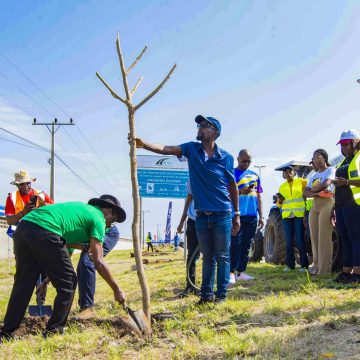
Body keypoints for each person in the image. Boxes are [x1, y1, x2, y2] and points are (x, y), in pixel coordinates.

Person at [131, 115, 240, 304]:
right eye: (199, 125)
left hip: (222, 213)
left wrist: (236, 214)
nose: (199, 127)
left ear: (215, 132)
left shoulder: (226, 158)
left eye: (204, 125)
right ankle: (206, 296)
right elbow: (167, 149)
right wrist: (144, 144)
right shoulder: (191, 149)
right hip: (201, 216)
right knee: (207, 257)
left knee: (222, 255)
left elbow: (233, 186)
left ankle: (221, 295)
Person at [0, 195, 126, 342]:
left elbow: (60, 258)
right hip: (45, 230)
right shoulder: (98, 218)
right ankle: (54, 331)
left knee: (24, 283)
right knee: (69, 283)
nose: (110, 225)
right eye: (113, 220)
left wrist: (46, 281)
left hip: (24, 227)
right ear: (108, 210)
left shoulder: (81, 212)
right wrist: (117, 290)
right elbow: (99, 262)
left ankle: (7, 332)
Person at [229, 149, 264, 283]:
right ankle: (231, 272)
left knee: (246, 245)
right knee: (235, 244)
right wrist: (240, 191)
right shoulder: (230, 173)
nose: (246, 163)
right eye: (243, 161)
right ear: (237, 159)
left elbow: (259, 196)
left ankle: (241, 272)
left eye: (248, 161)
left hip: (251, 215)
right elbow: (225, 194)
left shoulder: (255, 175)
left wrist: (261, 215)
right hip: (236, 215)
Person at [332, 129, 360, 284]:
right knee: (345, 239)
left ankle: (357, 273)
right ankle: (346, 272)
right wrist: (333, 208)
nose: (343, 147)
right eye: (341, 144)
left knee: (356, 238)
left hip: (355, 204)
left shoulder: (359, 158)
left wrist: (347, 182)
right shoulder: (344, 161)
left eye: (346, 144)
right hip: (341, 205)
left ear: (355, 142)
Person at [76, 224, 120, 319]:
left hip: (107, 232)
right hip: (93, 234)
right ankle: (83, 307)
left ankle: (87, 308)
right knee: (81, 267)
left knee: (88, 261)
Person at [303, 149, 336, 275]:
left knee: (324, 237)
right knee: (314, 237)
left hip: (327, 203)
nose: (316, 160)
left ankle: (324, 270)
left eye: (319, 157)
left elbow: (327, 183)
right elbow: (305, 193)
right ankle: (316, 266)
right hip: (314, 206)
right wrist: (315, 193)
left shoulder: (331, 170)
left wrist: (313, 190)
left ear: (325, 158)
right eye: (314, 158)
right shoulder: (313, 175)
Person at [277, 166, 309, 272]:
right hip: (287, 216)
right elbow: (279, 204)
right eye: (285, 172)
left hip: (299, 215)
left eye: (290, 172)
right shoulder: (282, 187)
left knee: (300, 240)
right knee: (288, 241)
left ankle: (304, 265)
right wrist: (280, 200)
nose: (288, 173)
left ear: (294, 172)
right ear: (283, 175)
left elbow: (309, 189)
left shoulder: (302, 182)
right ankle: (290, 265)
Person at [177, 181, 200, 297]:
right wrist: (181, 222)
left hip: (210, 221)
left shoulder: (215, 173)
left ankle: (206, 288)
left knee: (211, 256)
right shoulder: (192, 178)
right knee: (192, 255)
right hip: (193, 222)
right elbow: (189, 200)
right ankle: (190, 286)